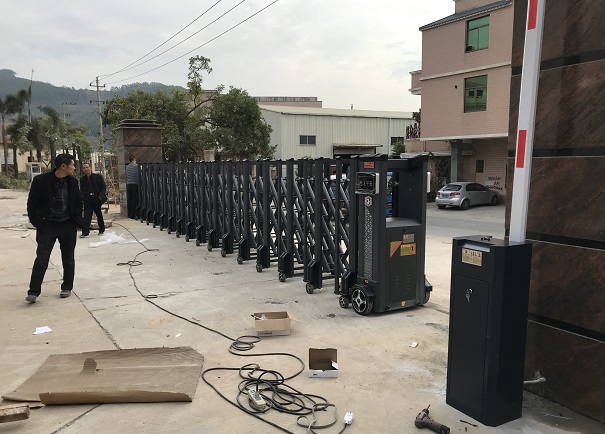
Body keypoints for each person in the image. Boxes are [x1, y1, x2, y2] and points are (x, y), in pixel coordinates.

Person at [26, 153, 85, 303]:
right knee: (42, 259)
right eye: (72, 165)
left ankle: (67, 287)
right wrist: (36, 222)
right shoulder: (41, 181)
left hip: (67, 225)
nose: (74, 168)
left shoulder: (73, 182)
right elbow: (32, 203)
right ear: (63, 166)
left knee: (68, 258)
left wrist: (76, 217)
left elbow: (78, 202)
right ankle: (33, 291)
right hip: (48, 225)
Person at [79, 162, 107, 237]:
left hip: (96, 197)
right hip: (87, 198)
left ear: (90, 168)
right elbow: (81, 190)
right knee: (86, 215)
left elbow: (103, 187)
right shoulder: (82, 179)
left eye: (87, 167)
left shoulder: (98, 177)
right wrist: (83, 198)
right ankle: (85, 231)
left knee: (98, 214)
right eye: (84, 168)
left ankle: (101, 229)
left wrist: (100, 196)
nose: (86, 169)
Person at [125, 155, 139, 219]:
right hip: (135, 184)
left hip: (129, 184)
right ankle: (134, 214)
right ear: (134, 159)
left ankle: (129, 214)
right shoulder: (137, 166)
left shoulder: (127, 167)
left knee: (130, 200)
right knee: (135, 200)